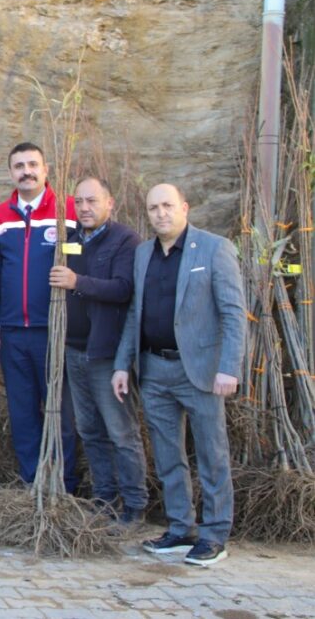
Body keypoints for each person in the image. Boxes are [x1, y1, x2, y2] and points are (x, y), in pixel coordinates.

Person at [113, 183, 245, 567]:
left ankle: (215, 534)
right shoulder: (142, 254)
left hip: (200, 371)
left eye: (168, 205)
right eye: (154, 208)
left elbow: (234, 314)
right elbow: (135, 313)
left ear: (184, 207)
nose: (161, 214)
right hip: (154, 370)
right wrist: (123, 364)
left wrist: (228, 368)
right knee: (168, 455)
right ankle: (180, 528)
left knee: (211, 454)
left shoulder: (214, 248)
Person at [49, 177, 148, 523]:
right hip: (74, 351)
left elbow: (123, 289)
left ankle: (134, 504)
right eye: (79, 202)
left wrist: (78, 282)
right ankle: (104, 499)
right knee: (89, 430)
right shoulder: (72, 241)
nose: (85, 208)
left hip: (106, 355)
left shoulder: (125, 241)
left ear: (110, 203)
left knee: (120, 432)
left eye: (92, 201)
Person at [0, 142, 79, 492]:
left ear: (46, 168)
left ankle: (64, 485)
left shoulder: (67, 211)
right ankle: (32, 484)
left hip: (54, 330)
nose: (26, 171)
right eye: (19, 166)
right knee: (23, 413)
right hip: (12, 332)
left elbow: (81, 262)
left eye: (32, 164)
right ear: (11, 172)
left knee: (60, 413)